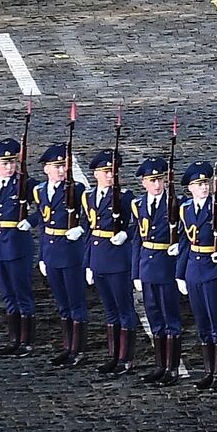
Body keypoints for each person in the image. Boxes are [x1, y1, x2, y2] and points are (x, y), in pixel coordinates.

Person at [30, 142, 88, 366]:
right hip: (52, 252)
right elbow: (43, 224)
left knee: (76, 302)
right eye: (57, 166)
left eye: (64, 166)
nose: (62, 170)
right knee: (62, 303)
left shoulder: (77, 189)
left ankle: (78, 350)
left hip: (71, 252)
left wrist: (80, 229)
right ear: (46, 169)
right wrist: (42, 256)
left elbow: (88, 217)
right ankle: (67, 346)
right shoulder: (40, 191)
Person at [176, 160, 217, 390]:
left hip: (213, 270)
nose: (204, 188)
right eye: (199, 184)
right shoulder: (185, 209)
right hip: (193, 271)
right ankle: (209, 371)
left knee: (216, 322)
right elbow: (184, 242)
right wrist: (180, 273)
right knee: (202, 324)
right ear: (189, 188)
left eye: (206, 183)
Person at [131, 155, 185, 380]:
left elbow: (186, 235)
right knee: (154, 316)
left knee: (170, 317)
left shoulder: (176, 204)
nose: (156, 185)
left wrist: (178, 249)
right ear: (143, 182)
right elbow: (136, 239)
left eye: (160, 180)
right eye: (151, 180)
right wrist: (135, 272)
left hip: (166, 266)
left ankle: (172, 367)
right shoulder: (138, 205)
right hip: (147, 267)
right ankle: (160, 365)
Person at [84, 149, 135, 374]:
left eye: (113, 171)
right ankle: (113, 355)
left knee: (124, 309)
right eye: (105, 171)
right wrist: (87, 262)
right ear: (96, 174)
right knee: (109, 310)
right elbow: (89, 230)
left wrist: (125, 234)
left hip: (117, 259)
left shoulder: (124, 196)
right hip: (98, 258)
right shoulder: (88, 196)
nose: (109, 175)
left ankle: (125, 358)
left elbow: (135, 224)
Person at [0, 138, 37, 356]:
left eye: (12, 163)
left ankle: (26, 341)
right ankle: (14, 338)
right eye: (4, 163)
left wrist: (31, 221)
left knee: (22, 293)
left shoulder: (25, 183)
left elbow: (46, 208)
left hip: (18, 244)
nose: (9, 168)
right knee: (7, 293)